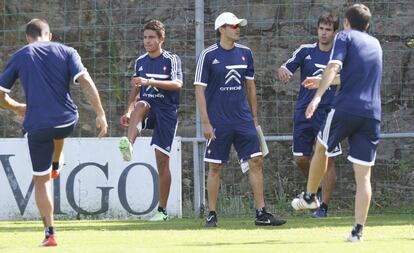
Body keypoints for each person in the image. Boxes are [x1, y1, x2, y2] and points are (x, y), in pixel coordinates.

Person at [0, 18, 108, 246]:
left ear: (28, 38)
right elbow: (86, 80)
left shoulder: (21, 54)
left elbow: (0, 94)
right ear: (50, 35)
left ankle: (50, 234)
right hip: (67, 120)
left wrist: (16, 106)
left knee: (41, 181)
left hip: (37, 126)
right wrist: (100, 113)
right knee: (59, 130)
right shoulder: (68, 51)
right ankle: (57, 162)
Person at [291, 4, 382, 242]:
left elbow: (334, 66)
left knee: (321, 147)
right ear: (368, 26)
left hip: (345, 108)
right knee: (363, 176)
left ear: (346, 24)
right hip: (371, 113)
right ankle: (358, 231)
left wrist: (318, 96)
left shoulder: (344, 36)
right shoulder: (375, 44)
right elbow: (351, 77)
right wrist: (322, 81)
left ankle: (310, 196)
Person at [195, 12, 286, 227]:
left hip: (244, 120)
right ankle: (212, 214)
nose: (238, 29)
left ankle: (261, 213)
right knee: (215, 167)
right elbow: (199, 91)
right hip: (218, 122)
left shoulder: (246, 53)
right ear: (221, 29)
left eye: (239, 25)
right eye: (233, 26)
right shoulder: (207, 55)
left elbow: (251, 87)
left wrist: (254, 119)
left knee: (256, 161)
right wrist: (206, 123)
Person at [118, 20, 183, 221]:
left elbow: (177, 84)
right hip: (148, 108)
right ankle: (129, 144)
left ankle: (162, 211)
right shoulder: (140, 61)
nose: (147, 41)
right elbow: (136, 90)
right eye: (145, 37)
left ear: (161, 39)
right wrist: (128, 111)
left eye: (151, 37)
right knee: (141, 104)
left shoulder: (171, 59)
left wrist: (149, 81)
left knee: (162, 162)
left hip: (166, 112)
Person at [278, 13, 339, 218]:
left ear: (334, 32)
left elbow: (347, 78)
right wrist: (284, 70)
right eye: (321, 28)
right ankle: (315, 192)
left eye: (328, 29)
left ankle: (324, 208)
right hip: (304, 112)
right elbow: (287, 66)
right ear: (317, 30)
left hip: (329, 112)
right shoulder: (305, 51)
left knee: (328, 160)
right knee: (301, 158)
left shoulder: (339, 55)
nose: (324, 33)